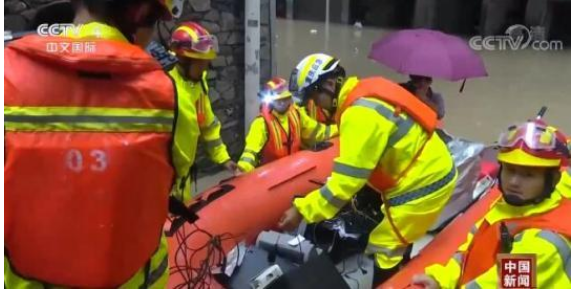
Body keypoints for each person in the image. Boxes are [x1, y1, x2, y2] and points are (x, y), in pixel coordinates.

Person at [4, 0, 186, 288]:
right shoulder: (170, 96)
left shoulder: (7, 75)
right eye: (155, 24)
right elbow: (177, 171)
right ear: (139, 13)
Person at [278, 53, 457, 286]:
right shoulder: (362, 92)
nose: (316, 106)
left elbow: (346, 183)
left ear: (331, 85)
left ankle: (390, 281)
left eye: (314, 97)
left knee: (384, 244)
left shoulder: (359, 115)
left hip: (424, 182)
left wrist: (302, 210)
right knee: (391, 228)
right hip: (420, 166)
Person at [412, 120, 570, 289]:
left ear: (553, 180)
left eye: (528, 175)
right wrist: (442, 279)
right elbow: (470, 250)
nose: (514, 182)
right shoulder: (510, 205)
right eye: (510, 170)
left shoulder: (545, 242)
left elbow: (498, 286)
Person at [168, 21, 239, 201]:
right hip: (162, 180)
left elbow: (208, 126)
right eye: (202, 63)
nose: (206, 67)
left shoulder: (199, 85)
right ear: (183, 60)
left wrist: (224, 159)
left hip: (182, 180)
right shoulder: (166, 88)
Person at [237, 77, 338, 173]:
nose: (282, 103)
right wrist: (243, 168)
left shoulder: (297, 114)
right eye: (278, 100)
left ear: (290, 98)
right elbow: (251, 151)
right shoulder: (261, 123)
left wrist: (339, 128)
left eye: (285, 99)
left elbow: (317, 131)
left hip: (293, 170)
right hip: (270, 174)